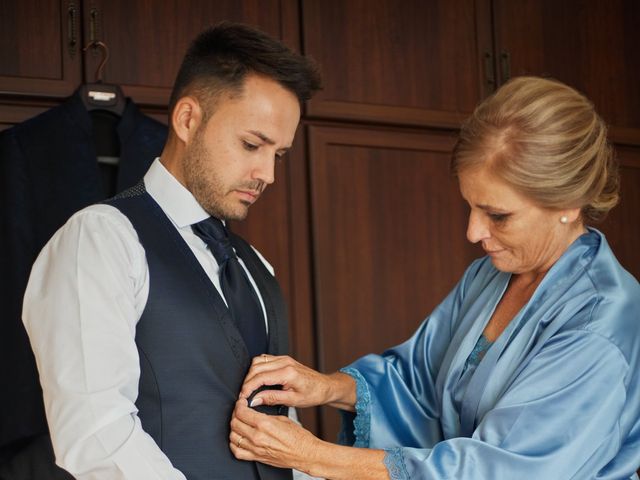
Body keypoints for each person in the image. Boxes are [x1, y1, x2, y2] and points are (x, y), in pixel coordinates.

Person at [229, 76, 640, 479]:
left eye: (497, 215)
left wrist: (313, 455)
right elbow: (416, 379)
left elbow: (505, 469)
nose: (474, 233)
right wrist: (328, 388)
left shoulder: (600, 324)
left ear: (567, 203)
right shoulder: (490, 275)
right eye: (470, 207)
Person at [22, 22, 321, 480]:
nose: (268, 174)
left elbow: (284, 429)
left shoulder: (256, 266)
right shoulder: (101, 240)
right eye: (251, 144)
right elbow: (96, 432)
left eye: (278, 155)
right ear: (187, 119)